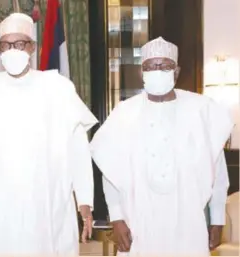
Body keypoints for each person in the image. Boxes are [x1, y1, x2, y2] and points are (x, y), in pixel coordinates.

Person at [0, 13, 98, 255]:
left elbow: (78, 148)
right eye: (6, 45)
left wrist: (84, 199)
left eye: (19, 44)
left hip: (47, 204)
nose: (13, 50)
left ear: (32, 47)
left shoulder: (58, 89)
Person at [90, 37, 233, 256]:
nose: (157, 71)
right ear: (142, 72)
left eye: (164, 66)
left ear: (176, 71)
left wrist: (217, 218)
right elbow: (110, 172)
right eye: (150, 66)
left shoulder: (201, 109)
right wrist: (117, 217)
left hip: (188, 225)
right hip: (139, 222)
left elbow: (218, 170)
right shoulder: (124, 113)